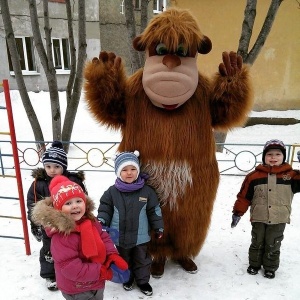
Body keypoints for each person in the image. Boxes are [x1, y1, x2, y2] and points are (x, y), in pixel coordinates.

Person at [31, 175, 129, 300]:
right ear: (58, 209)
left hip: (96, 281)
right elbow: (70, 268)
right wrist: (100, 271)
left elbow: (103, 237)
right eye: (68, 203)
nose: (75, 206)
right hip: (77, 288)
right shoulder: (62, 236)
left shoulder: (90, 221)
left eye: (78, 201)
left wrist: (112, 255)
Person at [97, 151, 164, 296]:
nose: (129, 173)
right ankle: (127, 278)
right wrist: (101, 221)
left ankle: (143, 281)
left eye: (133, 169)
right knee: (123, 259)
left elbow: (154, 210)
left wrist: (158, 226)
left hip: (141, 237)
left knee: (142, 260)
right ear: (118, 172)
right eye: (124, 170)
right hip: (120, 236)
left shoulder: (147, 191)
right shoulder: (112, 192)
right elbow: (105, 209)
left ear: (138, 170)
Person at [231, 139, 300, 279]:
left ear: (283, 157)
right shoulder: (254, 176)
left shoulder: (291, 176)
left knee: (273, 243)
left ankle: (270, 267)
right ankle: (254, 264)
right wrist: (238, 212)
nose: (273, 157)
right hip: (259, 216)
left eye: (277, 154)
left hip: (279, 218)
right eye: (269, 154)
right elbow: (244, 197)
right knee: (257, 242)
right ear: (264, 157)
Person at [27, 141, 87, 291]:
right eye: (48, 166)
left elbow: (84, 199)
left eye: (56, 167)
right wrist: (34, 223)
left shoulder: (73, 181)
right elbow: (32, 203)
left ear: (64, 167)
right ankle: (50, 274)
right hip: (49, 224)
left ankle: (70, 270)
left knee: (71, 247)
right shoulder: (39, 184)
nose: (52, 170)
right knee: (49, 248)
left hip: (72, 221)